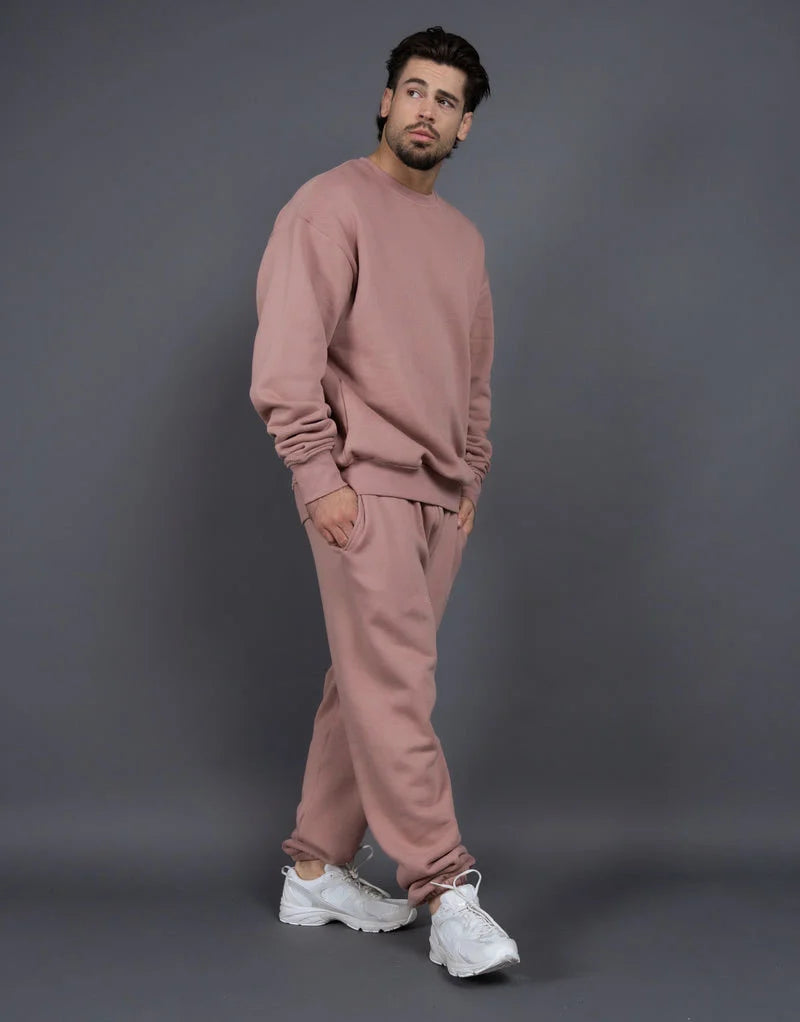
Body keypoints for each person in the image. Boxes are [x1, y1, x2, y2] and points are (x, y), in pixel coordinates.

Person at [249, 25, 519, 978]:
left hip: (441, 503)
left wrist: (470, 476)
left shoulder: (463, 239)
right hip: (361, 491)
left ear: (465, 126)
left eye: (446, 100)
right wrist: (318, 479)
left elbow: (473, 375)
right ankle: (445, 889)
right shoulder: (329, 206)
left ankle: (314, 869)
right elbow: (287, 359)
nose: (426, 110)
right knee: (397, 688)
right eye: (414, 90)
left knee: (365, 685)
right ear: (385, 100)